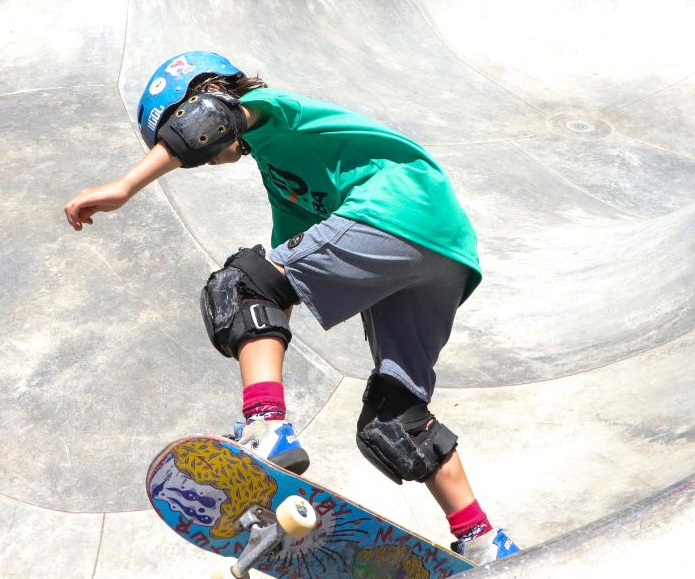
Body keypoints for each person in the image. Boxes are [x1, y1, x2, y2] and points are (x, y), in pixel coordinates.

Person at [63, 51, 519, 563]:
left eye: (180, 137)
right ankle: (485, 541)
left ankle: (265, 423)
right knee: (397, 419)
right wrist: (265, 315)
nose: (203, 159)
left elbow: (213, 120)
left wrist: (124, 186)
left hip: (396, 209)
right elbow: (282, 287)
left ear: (198, 105)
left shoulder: (264, 107)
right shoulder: (284, 185)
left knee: (237, 289)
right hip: (443, 250)